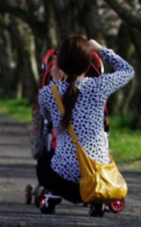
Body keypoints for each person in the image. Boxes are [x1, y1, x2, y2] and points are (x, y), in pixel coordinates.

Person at [36, 35, 134, 215]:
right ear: (88, 63)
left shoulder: (48, 93)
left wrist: (56, 82)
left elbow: (45, 115)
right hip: (97, 180)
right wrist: (101, 50)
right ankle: (96, 202)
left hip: (65, 184)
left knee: (43, 162)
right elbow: (128, 71)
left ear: (59, 64)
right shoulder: (100, 86)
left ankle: (54, 195)